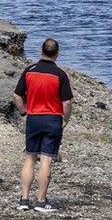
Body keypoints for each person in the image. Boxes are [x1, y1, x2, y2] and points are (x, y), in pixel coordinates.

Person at [13, 38, 73, 213]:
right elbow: (67, 102)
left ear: (41, 52)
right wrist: (65, 120)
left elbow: (17, 96)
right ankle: (40, 201)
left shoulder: (29, 70)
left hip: (33, 118)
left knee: (30, 157)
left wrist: (24, 112)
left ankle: (24, 199)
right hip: (52, 119)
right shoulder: (61, 74)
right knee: (46, 159)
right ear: (57, 54)